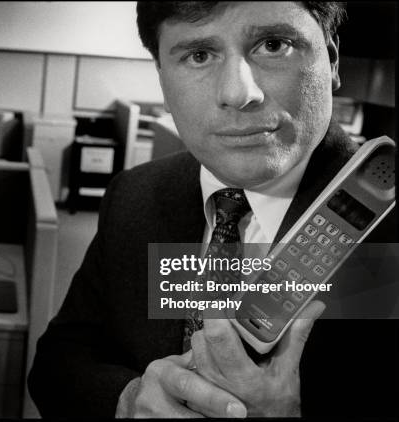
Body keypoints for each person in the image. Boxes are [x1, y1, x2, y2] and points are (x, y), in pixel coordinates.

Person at [28, 1, 397, 419]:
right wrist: (128, 400)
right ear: (163, 82)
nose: (238, 93)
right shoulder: (136, 195)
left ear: (330, 60)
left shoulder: (388, 227)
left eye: (273, 45)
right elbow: (59, 362)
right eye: (199, 55)